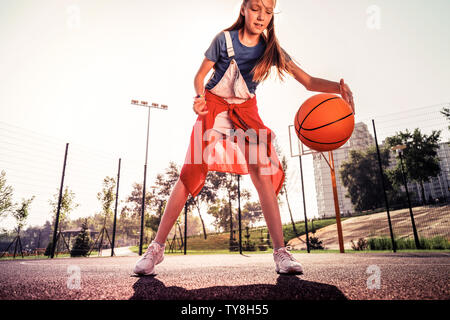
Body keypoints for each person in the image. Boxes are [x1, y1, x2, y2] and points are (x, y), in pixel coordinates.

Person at [134, 0, 355, 276]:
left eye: (268, 11)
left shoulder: (270, 49)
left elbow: (308, 82)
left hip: (246, 110)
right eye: (256, 8)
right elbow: (200, 75)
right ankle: (156, 249)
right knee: (189, 171)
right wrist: (199, 98)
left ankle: (281, 253)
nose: (261, 16)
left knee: (262, 172)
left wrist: (339, 89)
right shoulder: (223, 39)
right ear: (243, 9)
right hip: (214, 107)